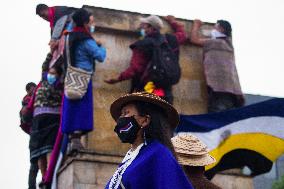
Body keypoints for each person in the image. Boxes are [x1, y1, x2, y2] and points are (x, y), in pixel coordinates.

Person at [105, 92, 193, 189]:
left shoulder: (159, 154)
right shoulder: (132, 156)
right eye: (121, 114)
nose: (121, 119)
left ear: (145, 120)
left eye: (126, 113)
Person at [105, 15, 186, 104]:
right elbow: (182, 34)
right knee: (163, 115)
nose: (141, 27)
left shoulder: (143, 44)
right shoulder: (170, 40)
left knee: (145, 115)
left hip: (148, 89)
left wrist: (117, 79)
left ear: (150, 27)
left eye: (143, 25)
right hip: (166, 91)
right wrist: (173, 21)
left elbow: (135, 69)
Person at [61, 8, 106, 152]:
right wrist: (101, 46)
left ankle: (71, 140)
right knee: (82, 110)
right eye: (90, 21)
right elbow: (100, 56)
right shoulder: (86, 40)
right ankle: (76, 139)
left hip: (71, 77)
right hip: (84, 78)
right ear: (85, 22)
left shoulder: (70, 36)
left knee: (72, 109)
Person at [190, 19, 244, 112]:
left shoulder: (217, 43)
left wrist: (196, 25)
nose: (213, 29)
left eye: (215, 27)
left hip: (220, 89)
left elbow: (194, 40)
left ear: (221, 29)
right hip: (231, 90)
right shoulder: (228, 43)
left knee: (217, 113)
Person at [29, 65, 64, 177]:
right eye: (50, 72)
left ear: (58, 75)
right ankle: (44, 177)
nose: (50, 75)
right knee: (39, 153)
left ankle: (49, 174)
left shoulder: (59, 86)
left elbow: (60, 98)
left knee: (49, 148)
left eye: (53, 73)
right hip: (38, 120)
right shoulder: (43, 83)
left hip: (51, 118)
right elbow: (45, 65)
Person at [19, 82, 39, 189]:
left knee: (37, 163)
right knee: (34, 164)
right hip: (35, 134)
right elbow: (25, 119)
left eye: (35, 88)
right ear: (28, 91)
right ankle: (31, 187)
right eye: (32, 89)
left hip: (37, 132)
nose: (34, 90)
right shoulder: (27, 102)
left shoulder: (38, 97)